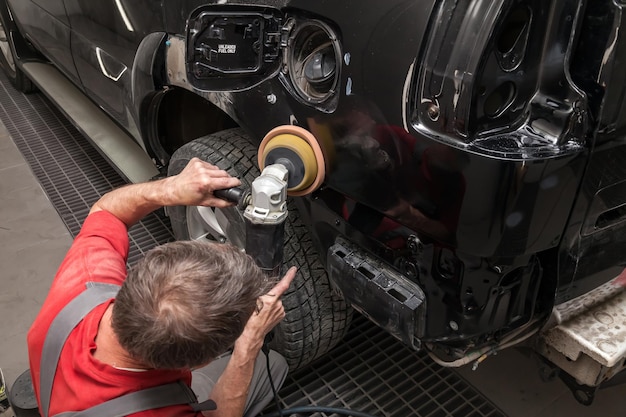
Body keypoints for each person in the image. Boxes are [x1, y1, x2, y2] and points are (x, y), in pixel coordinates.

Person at [27, 157, 295, 417]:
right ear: (195, 363)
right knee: (273, 364)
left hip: (66, 392)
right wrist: (247, 346)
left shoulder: (83, 286)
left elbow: (106, 211)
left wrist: (170, 188)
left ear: (138, 276)